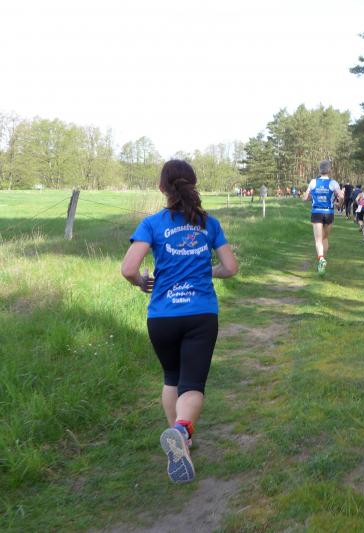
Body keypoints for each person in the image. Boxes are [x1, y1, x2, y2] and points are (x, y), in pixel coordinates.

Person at [121, 159, 239, 484]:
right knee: (193, 384)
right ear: (194, 185)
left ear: (162, 187)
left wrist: (142, 282)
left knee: (172, 377)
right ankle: (182, 431)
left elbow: (129, 269)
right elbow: (231, 267)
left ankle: (180, 444)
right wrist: (208, 270)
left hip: (162, 316)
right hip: (201, 314)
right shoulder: (209, 223)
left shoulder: (151, 224)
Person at [303, 160, 344, 273]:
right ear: (329, 170)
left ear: (319, 170)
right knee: (325, 238)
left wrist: (310, 198)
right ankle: (322, 262)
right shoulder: (333, 183)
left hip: (316, 212)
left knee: (318, 240)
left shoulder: (313, 182)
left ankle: (321, 259)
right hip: (329, 212)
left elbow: (305, 197)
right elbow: (341, 196)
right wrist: (339, 205)